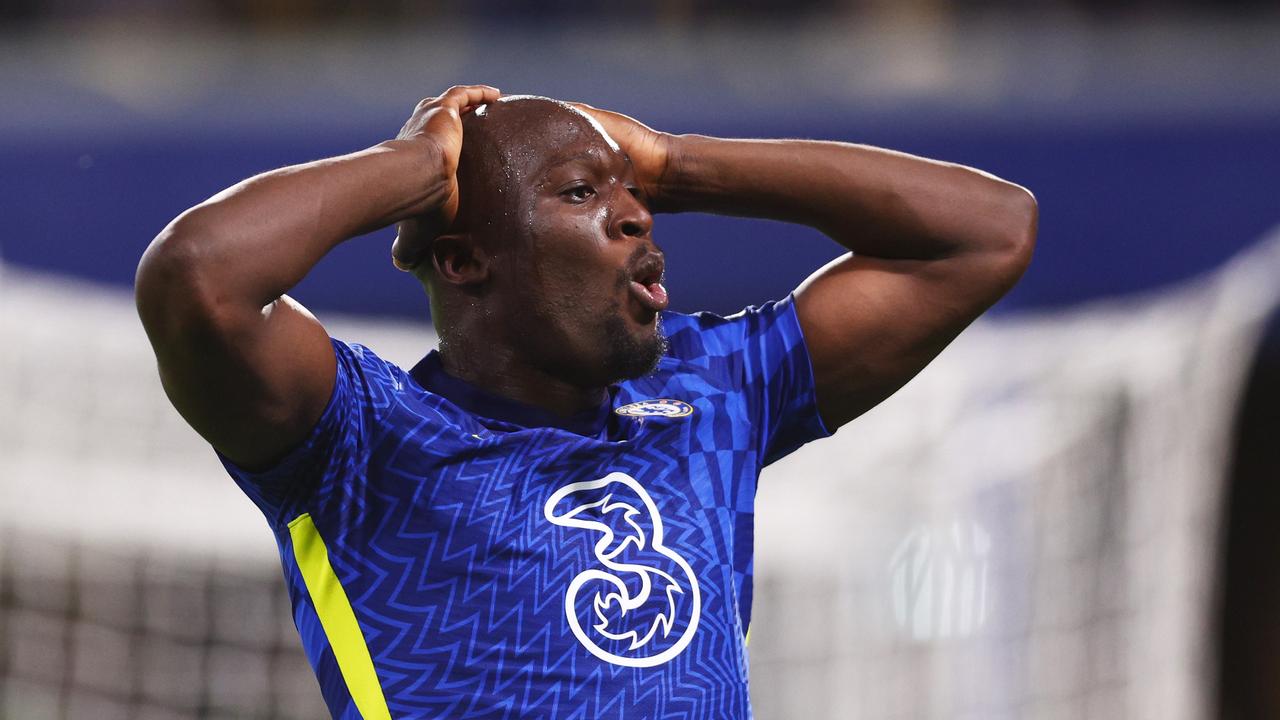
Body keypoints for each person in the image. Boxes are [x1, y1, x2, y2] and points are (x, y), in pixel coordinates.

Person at [135, 85, 1036, 719]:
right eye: (579, 192)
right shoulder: (362, 442)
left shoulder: (708, 391)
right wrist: (415, 166)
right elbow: (198, 279)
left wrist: (677, 162)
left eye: (638, 198)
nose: (638, 216)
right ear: (464, 260)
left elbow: (984, 233)